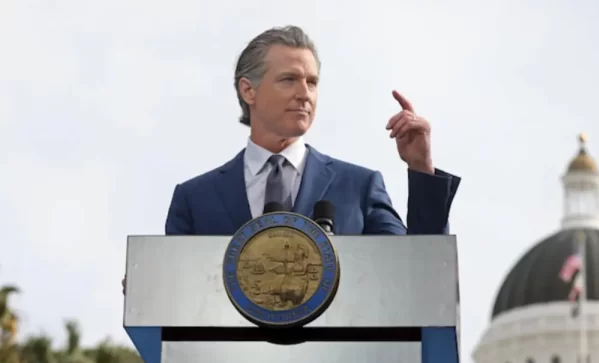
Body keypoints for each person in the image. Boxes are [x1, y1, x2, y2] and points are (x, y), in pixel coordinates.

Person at [122, 26, 460, 293]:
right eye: (289, 80)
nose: (305, 93)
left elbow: (421, 278)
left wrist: (420, 169)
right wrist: (150, 292)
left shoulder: (358, 187)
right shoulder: (194, 199)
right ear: (248, 90)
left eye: (312, 82)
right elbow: (175, 300)